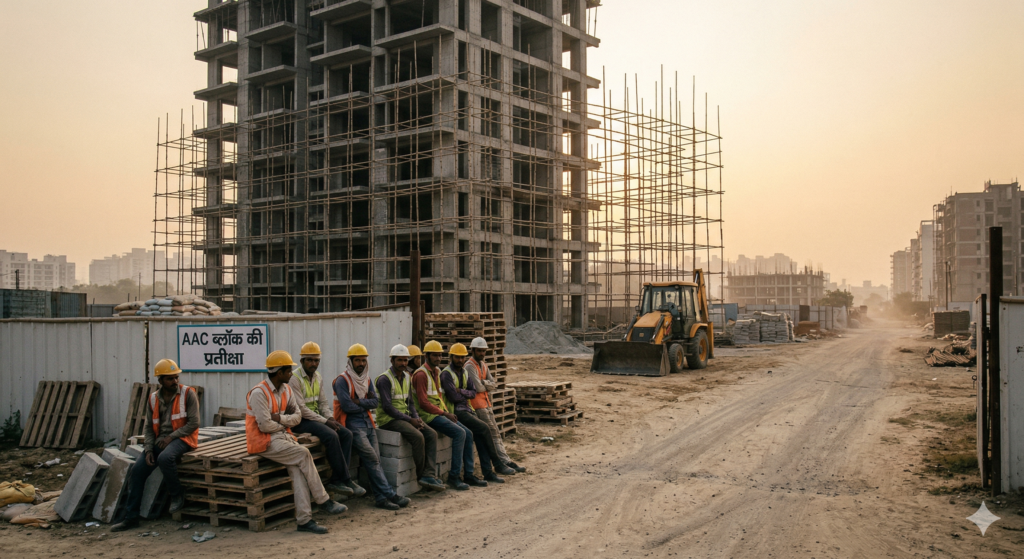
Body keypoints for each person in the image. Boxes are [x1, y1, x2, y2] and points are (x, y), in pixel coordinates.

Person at [245, 350, 347, 534]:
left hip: (282, 436)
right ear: (279, 372)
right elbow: (265, 426)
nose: (291, 374)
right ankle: (323, 500)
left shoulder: (287, 390)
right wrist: (284, 422)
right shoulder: (259, 393)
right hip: (263, 442)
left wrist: (280, 420)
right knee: (303, 453)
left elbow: (297, 417)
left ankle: (304, 520)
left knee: (298, 472)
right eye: (288, 371)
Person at [112, 359, 199, 531]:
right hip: (160, 440)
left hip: (183, 439)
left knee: (166, 458)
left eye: (176, 378)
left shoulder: (188, 393)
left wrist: (171, 437)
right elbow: (149, 427)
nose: (175, 381)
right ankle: (131, 517)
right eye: (170, 379)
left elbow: (194, 423)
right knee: (137, 472)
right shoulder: (153, 399)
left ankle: (176, 495)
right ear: (160, 381)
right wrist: (149, 448)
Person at [332, 343, 411, 510]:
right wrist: (365, 404)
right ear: (351, 361)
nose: (361, 364)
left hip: (368, 422)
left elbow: (375, 402)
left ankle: (381, 498)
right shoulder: (342, 380)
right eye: (357, 360)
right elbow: (347, 406)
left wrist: (359, 402)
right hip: (352, 424)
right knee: (372, 459)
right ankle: (390, 494)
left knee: (376, 460)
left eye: (363, 360)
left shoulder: (366, 379)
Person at [288, 341, 366, 498]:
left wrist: (330, 418)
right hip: (300, 420)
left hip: (316, 418)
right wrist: (325, 422)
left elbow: (323, 403)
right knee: (331, 435)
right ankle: (345, 479)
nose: (313, 363)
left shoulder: (317, 377)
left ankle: (338, 479)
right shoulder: (294, 379)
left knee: (346, 434)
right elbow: (301, 409)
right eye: (309, 360)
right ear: (302, 361)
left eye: (316, 360)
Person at [440, 343, 515, 483]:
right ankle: (497, 464)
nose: (460, 360)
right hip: (455, 411)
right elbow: (453, 397)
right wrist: (464, 393)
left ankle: (487, 472)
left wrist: (460, 391)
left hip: (467, 409)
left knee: (480, 436)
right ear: (451, 357)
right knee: (484, 428)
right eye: (457, 357)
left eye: (462, 358)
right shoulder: (446, 374)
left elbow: (473, 392)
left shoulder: (464, 372)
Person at [375, 344, 446, 491]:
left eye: (405, 360)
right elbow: (388, 408)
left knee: (431, 434)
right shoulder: (384, 379)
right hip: (389, 420)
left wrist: (416, 417)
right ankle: (422, 477)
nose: (403, 363)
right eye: (400, 360)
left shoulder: (407, 377)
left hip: (405, 417)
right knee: (418, 436)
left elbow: (410, 402)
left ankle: (430, 474)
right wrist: (410, 420)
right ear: (392, 361)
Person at [411, 341, 473, 490]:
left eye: (440, 355)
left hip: (438, 413)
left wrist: (447, 413)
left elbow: (438, 397)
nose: (438, 358)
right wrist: (444, 413)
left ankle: (469, 474)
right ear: (427, 356)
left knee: (469, 434)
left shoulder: (437, 371)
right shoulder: (421, 374)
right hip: (427, 415)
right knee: (459, 433)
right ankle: (454, 477)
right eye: (434, 355)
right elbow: (423, 402)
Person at [465, 337, 526, 473]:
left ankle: (506, 461)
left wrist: (484, 383)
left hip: (486, 404)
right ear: (473, 350)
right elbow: (478, 388)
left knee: (496, 434)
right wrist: (486, 384)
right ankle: (501, 463)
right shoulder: (469, 366)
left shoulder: (484, 365)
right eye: (479, 351)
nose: (482, 353)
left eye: (484, 351)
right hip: (477, 406)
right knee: (491, 434)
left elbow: (493, 384)